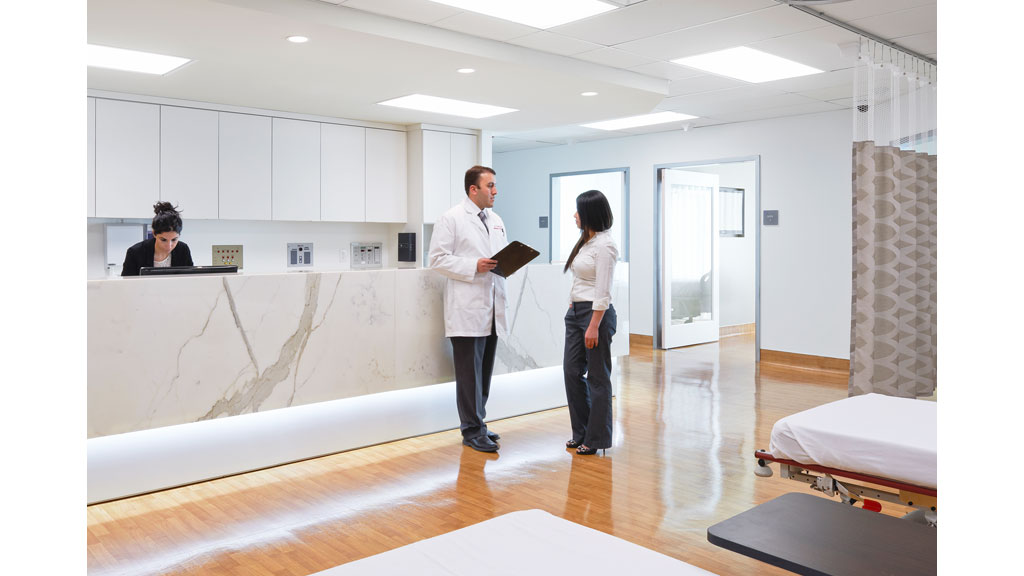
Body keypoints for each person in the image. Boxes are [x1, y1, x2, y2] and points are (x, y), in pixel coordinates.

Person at [428, 166, 509, 453]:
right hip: (467, 309)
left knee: (484, 373)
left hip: (492, 307)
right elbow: (437, 259)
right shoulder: (451, 218)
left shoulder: (496, 220)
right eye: (490, 186)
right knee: (469, 376)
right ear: (473, 189)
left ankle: (479, 424)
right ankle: (471, 430)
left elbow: (500, 255)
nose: (495, 191)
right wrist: (474, 265)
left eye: (494, 185)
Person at [563, 190, 618, 456]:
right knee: (571, 372)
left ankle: (596, 439)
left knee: (597, 377)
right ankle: (581, 431)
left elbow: (603, 289)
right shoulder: (586, 242)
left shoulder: (605, 246)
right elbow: (581, 279)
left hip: (595, 316)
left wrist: (594, 325)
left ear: (590, 214)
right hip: (576, 314)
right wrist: (572, 304)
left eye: (579, 210)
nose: (575, 215)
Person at [121, 201, 194, 276]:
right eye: (163, 240)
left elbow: (191, 279)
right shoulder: (135, 252)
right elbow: (127, 282)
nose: (169, 246)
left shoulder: (183, 250)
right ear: (154, 233)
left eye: (174, 240)